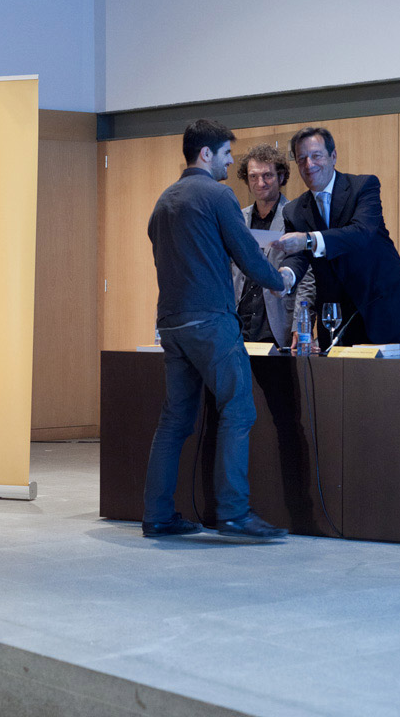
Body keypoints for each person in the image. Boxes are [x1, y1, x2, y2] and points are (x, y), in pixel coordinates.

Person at [143, 119, 289, 540]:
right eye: (226, 154)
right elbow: (247, 254)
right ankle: (234, 513)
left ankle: (158, 516)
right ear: (205, 154)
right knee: (239, 410)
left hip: (171, 324)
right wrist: (280, 281)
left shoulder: (164, 201)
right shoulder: (218, 195)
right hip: (211, 322)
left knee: (174, 420)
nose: (230, 163)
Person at [273, 127, 400, 352]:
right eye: (301, 159)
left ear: (333, 156)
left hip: (387, 311)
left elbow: (360, 233)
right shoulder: (294, 210)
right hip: (336, 320)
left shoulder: (363, 187)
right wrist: (286, 276)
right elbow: (297, 256)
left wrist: (308, 239)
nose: (309, 165)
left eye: (316, 156)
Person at [232, 143, 315, 348]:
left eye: (267, 175)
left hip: (278, 327)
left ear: (280, 177)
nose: (260, 182)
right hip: (238, 327)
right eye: (253, 176)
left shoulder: (297, 216)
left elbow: (307, 277)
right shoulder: (237, 219)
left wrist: (301, 324)